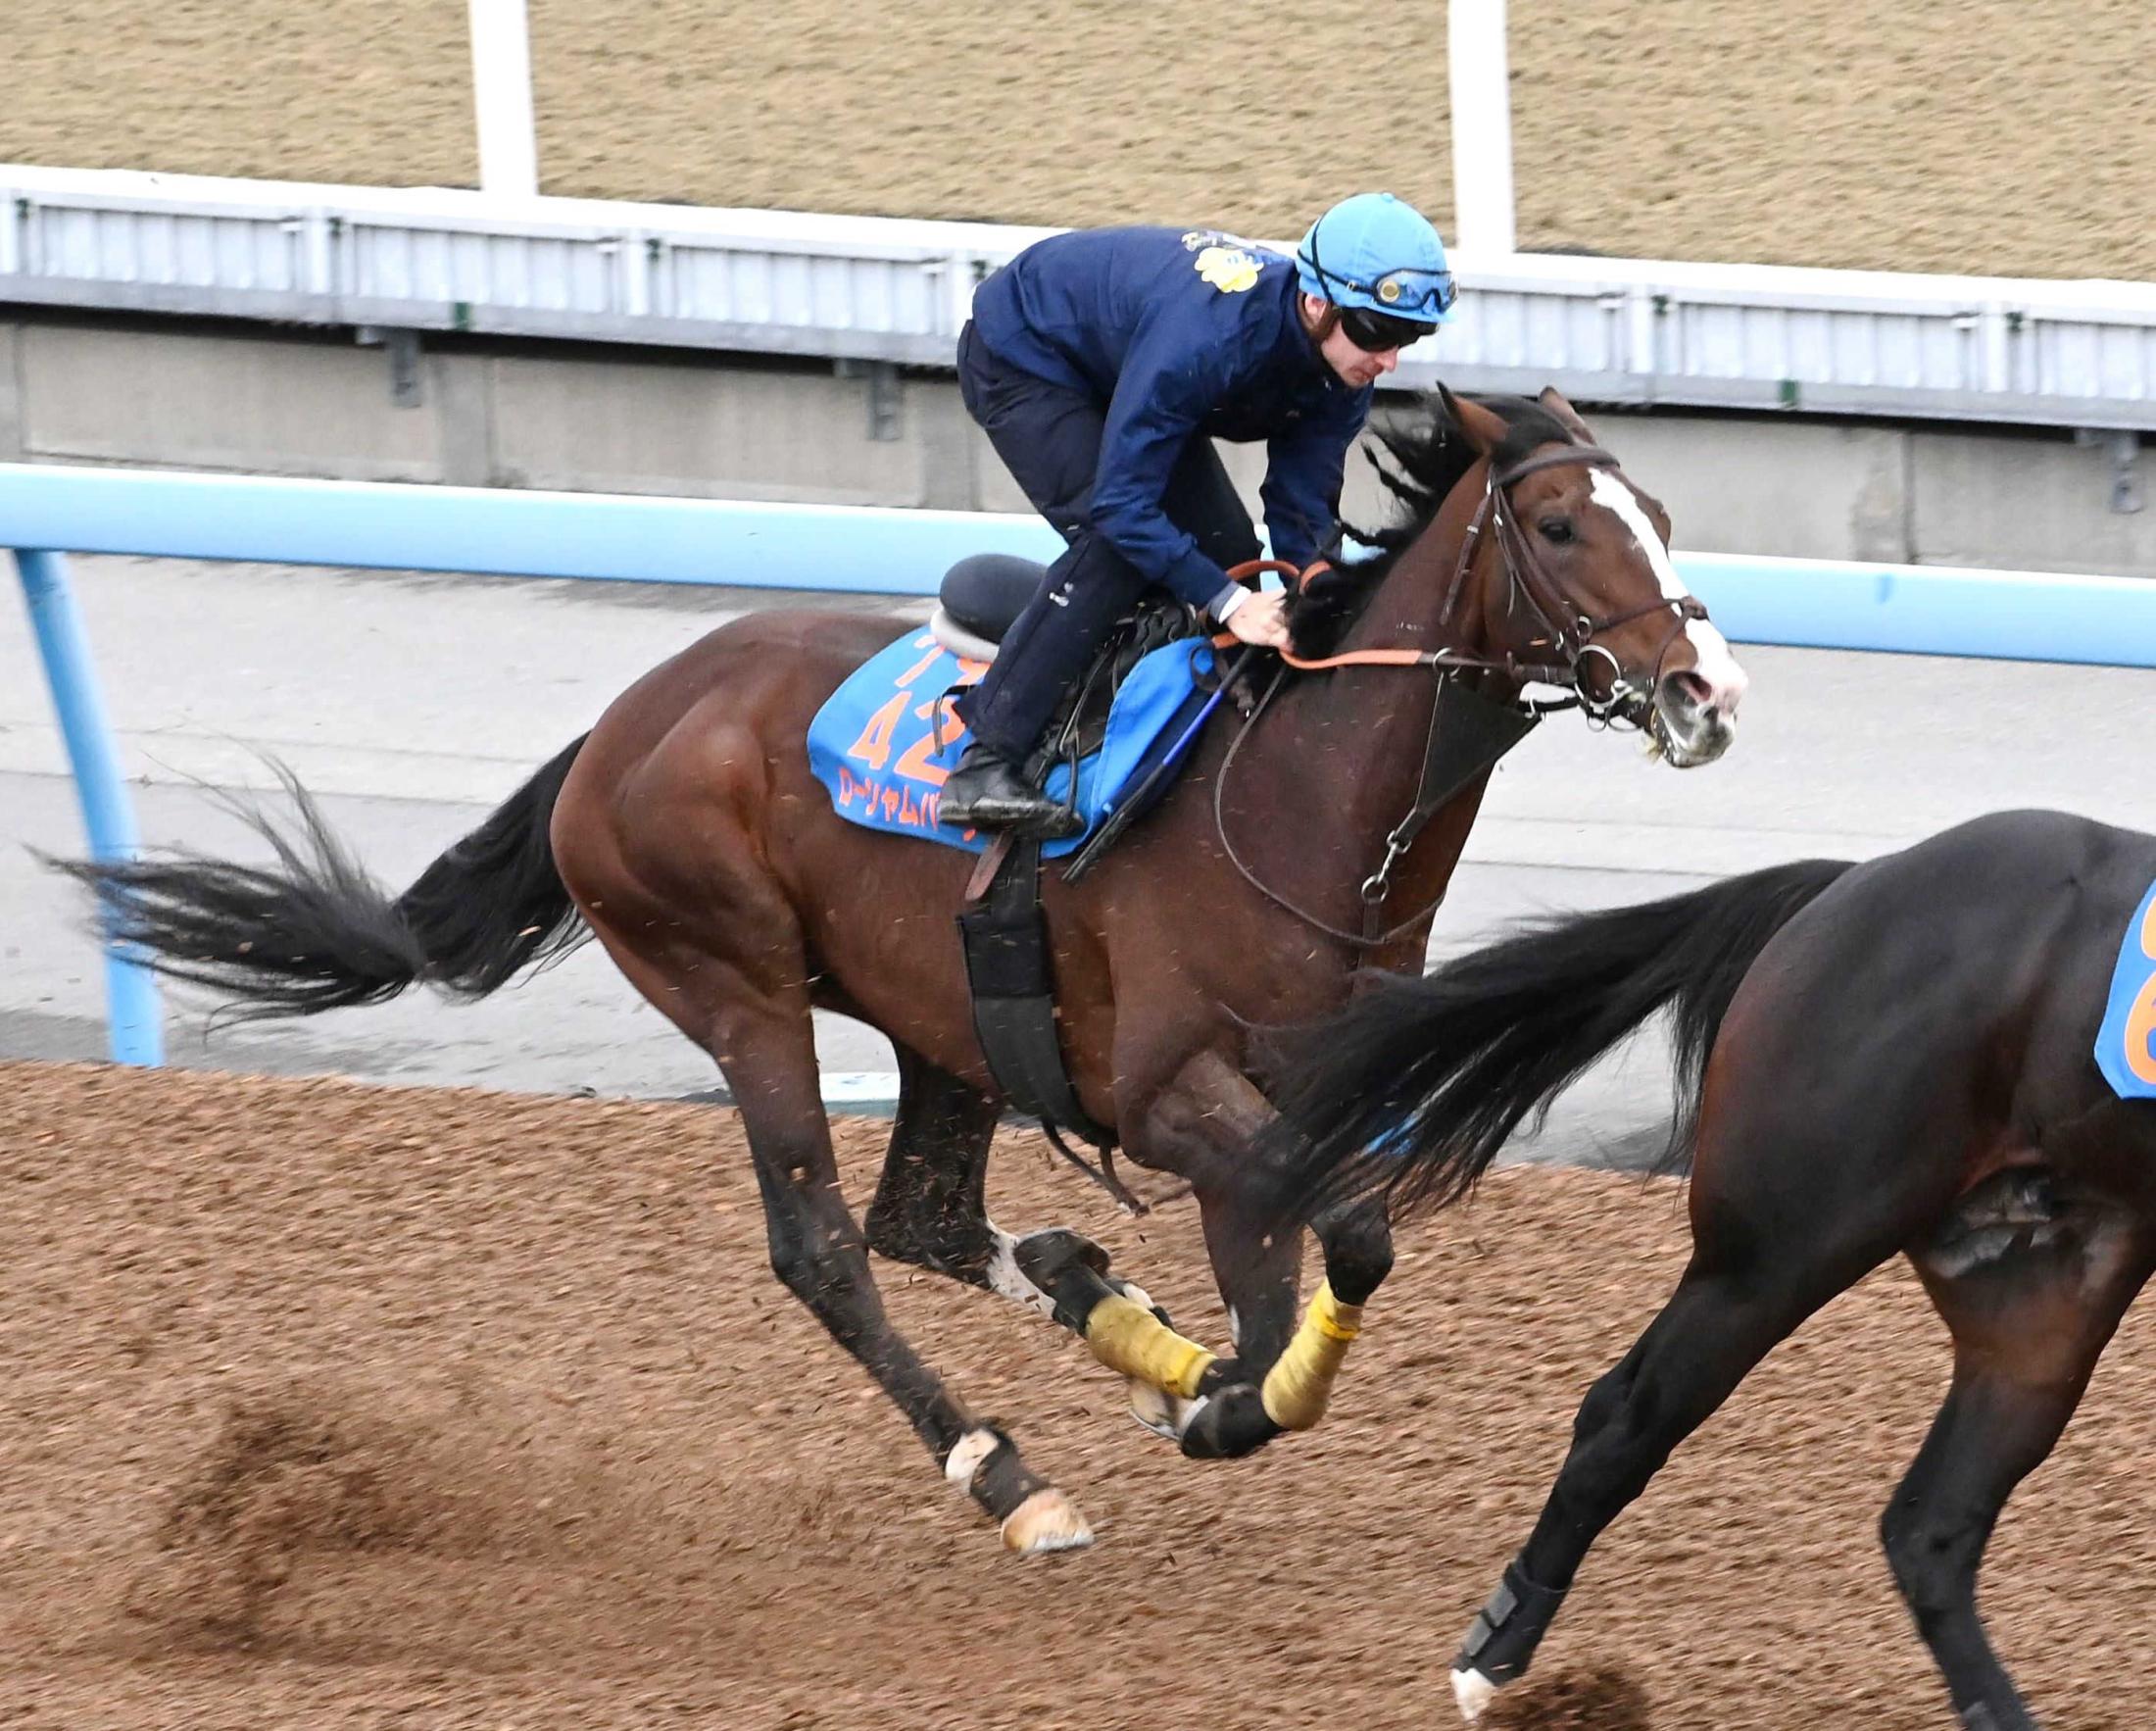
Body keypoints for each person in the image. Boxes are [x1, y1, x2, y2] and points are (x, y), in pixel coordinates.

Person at [936, 191, 1456, 837]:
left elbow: (1300, 510)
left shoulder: (1342, 374)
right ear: (1316, 303)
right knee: (1120, 548)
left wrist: (1320, 606)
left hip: (1129, 365)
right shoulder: (1210, 339)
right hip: (1029, 358)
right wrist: (1232, 604)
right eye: (1378, 332)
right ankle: (986, 760)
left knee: (1228, 552)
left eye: (1409, 336)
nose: (1389, 359)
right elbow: (1122, 506)